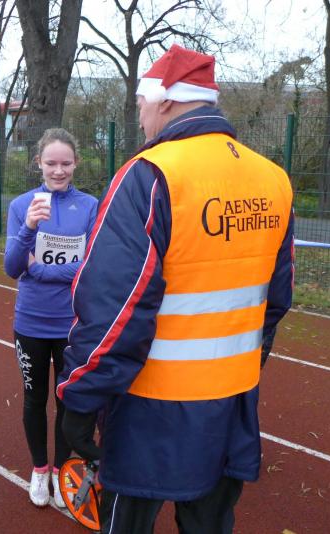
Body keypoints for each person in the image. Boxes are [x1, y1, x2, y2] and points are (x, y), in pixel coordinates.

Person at [56, 44, 294, 534]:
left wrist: (80, 395)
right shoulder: (274, 178)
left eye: (141, 102)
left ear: (165, 99)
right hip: (233, 399)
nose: (140, 114)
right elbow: (276, 299)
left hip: (151, 402)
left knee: (126, 521)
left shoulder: (150, 173)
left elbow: (115, 306)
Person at [3, 128, 98, 507]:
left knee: (68, 401)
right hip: (31, 322)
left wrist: (40, 269)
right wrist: (28, 228)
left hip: (72, 324)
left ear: (76, 164)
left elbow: (91, 267)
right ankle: (40, 469)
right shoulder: (21, 206)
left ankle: (61, 471)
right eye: (51, 163)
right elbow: (13, 267)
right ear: (38, 163)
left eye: (66, 163)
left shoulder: (90, 206)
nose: (59, 171)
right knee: (34, 399)